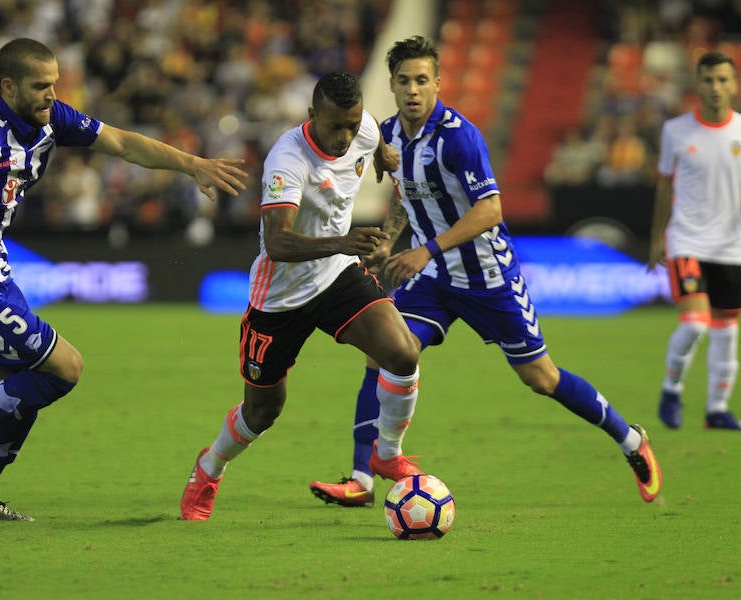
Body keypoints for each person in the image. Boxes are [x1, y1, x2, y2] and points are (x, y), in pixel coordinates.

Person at [0, 38, 247, 521]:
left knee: (23, 388)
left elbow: (124, 143)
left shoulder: (52, 120)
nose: (52, 94)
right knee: (65, 367)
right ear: (7, 86)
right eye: (40, 86)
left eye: (54, 83)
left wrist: (192, 164)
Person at [308, 36, 662, 508]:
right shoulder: (387, 134)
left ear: (437, 83)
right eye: (404, 81)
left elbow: (490, 209)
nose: (413, 89)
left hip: (487, 277)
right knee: (385, 350)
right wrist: (392, 240)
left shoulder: (459, 136)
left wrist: (426, 249)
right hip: (434, 280)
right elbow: (405, 193)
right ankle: (362, 478)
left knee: (541, 378)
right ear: (391, 84)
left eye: (422, 80)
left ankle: (630, 439)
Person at [180, 71, 423, 521]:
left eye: (353, 125)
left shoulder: (363, 129)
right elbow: (278, 243)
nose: (346, 137)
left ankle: (386, 454)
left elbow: (387, 158)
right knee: (262, 411)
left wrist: (387, 181)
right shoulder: (287, 161)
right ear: (313, 116)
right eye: (336, 126)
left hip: (336, 277)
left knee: (402, 353)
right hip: (279, 298)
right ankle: (209, 466)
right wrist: (344, 241)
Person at [648, 50, 741, 430]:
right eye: (708, 80)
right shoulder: (676, 131)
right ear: (697, 84)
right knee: (696, 324)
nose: (715, 87)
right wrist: (657, 235)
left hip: (732, 247)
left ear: (733, 84)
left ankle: (716, 410)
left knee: (726, 331)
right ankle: (672, 389)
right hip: (687, 240)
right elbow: (664, 187)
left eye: (722, 79)